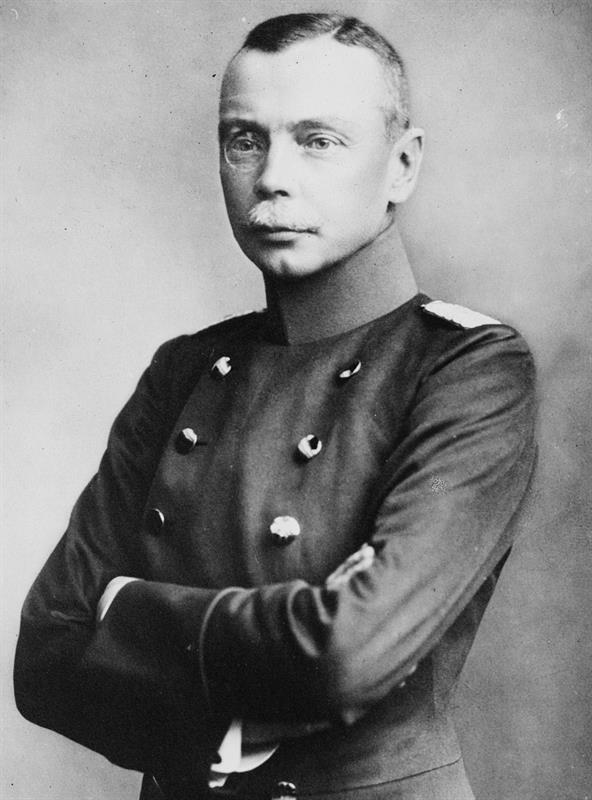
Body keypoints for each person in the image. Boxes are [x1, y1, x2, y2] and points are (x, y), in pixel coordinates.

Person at [14, 12, 537, 800]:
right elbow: (44, 655)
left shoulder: (466, 367)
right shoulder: (184, 368)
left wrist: (124, 611)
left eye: (318, 140)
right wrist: (224, 720)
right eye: (244, 140)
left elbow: (347, 654)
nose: (272, 177)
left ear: (401, 166)